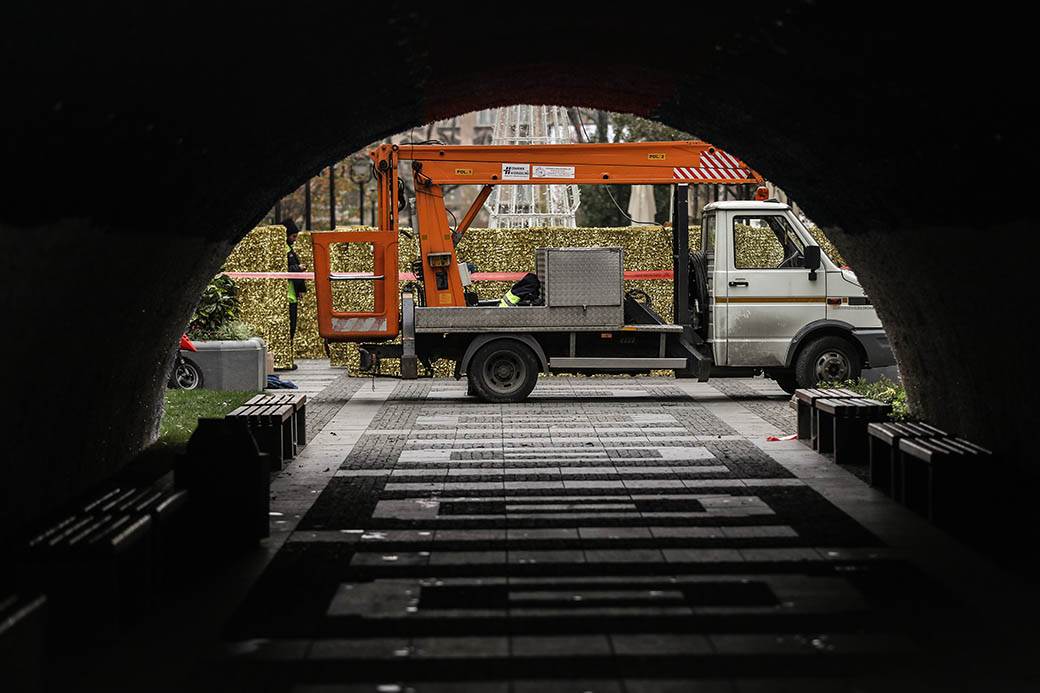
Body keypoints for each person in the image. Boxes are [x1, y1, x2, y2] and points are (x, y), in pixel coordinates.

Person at [279, 219, 308, 371]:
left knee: (291, 329)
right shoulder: (284, 250)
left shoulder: (288, 248)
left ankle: (287, 358)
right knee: (289, 328)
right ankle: (285, 359)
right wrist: (298, 267)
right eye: (293, 236)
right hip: (287, 297)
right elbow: (286, 269)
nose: (295, 240)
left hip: (292, 295)